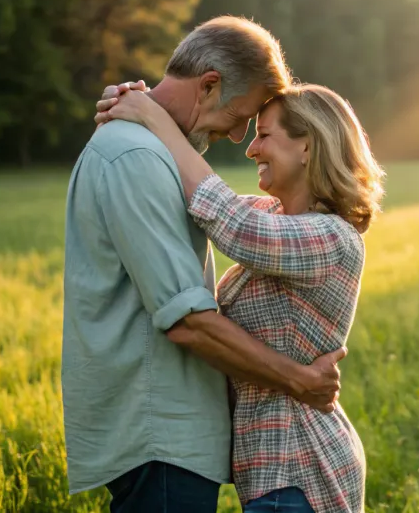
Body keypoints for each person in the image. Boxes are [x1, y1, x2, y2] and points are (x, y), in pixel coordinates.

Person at [63, 16, 346, 513]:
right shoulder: (136, 155)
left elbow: (228, 211)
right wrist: (299, 379)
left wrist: (148, 109)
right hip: (159, 427)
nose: (241, 137)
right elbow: (190, 322)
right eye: (243, 116)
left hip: (169, 429)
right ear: (210, 85)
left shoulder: (149, 149)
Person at [94, 81, 384, 513]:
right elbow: (190, 198)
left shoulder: (331, 237)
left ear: (308, 147)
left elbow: (229, 220)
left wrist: (153, 118)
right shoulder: (275, 217)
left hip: (300, 467)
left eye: (264, 136)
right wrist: (138, 104)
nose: (252, 150)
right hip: (273, 473)